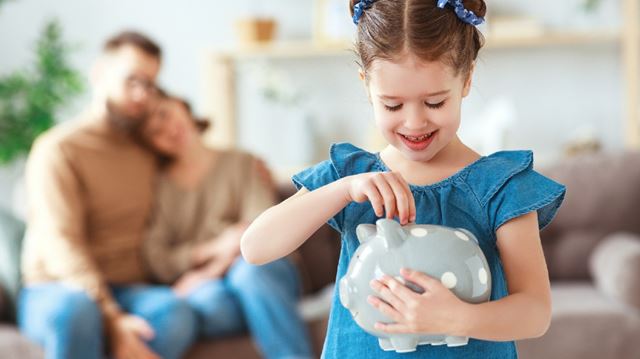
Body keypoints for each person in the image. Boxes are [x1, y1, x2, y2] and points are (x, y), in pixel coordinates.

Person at [241, 1, 566, 358]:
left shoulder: (500, 185)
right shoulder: (350, 174)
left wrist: (457, 318)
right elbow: (255, 248)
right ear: (366, 86)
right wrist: (343, 190)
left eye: (435, 103)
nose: (414, 123)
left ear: (467, 79)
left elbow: (535, 313)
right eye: (393, 106)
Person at [19, 32, 198, 359]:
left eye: (150, 85)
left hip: (128, 288)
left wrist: (247, 167)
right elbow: (62, 243)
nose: (141, 95)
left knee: (174, 312)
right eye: (132, 80)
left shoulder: (145, 149)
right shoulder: (58, 149)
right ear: (99, 73)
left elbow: (193, 155)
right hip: (58, 287)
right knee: (76, 312)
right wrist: (112, 318)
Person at [138, 90, 314, 359]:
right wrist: (213, 248)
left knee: (250, 275)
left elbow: (262, 231)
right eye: (155, 132)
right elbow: (158, 259)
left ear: (180, 105)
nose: (168, 130)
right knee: (209, 304)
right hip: (214, 291)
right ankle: (268, 311)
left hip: (264, 269)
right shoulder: (159, 187)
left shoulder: (241, 162)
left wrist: (208, 270)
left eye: (165, 114)